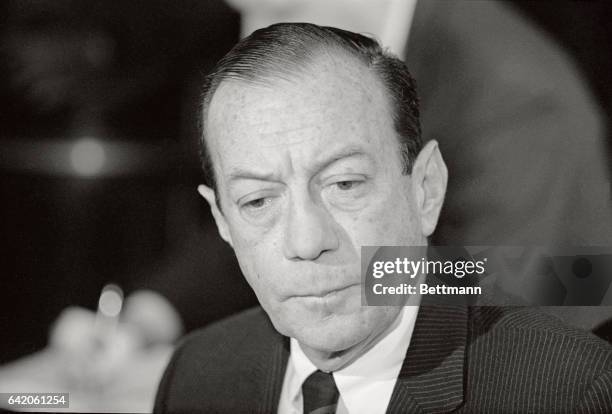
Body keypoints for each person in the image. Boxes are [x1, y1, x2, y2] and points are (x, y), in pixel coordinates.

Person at [154, 23, 612, 414]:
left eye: (345, 185)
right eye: (257, 201)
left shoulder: (569, 391)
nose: (307, 240)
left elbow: (570, 275)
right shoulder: (195, 378)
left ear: (425, 189)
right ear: (221, 222)